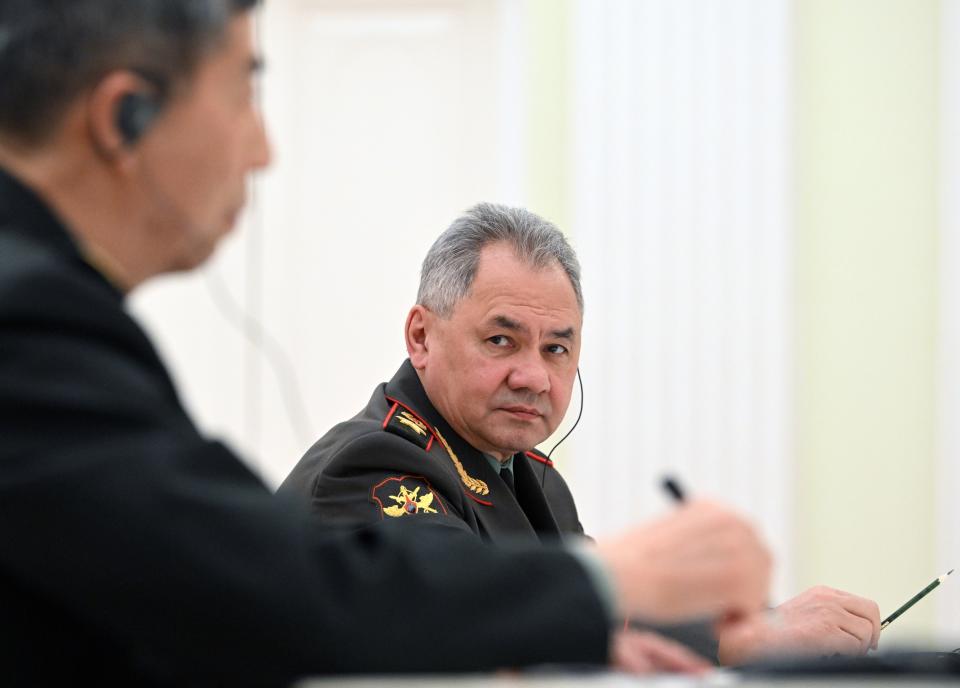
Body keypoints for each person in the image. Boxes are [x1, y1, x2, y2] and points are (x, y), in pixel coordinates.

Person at [0, 1, 774, 685]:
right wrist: (611, 579)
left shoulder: (532, 474)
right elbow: (274, 591)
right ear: (124, 116)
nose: (262, 149)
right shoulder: (30, 319)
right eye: (244, 92)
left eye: (557, 349)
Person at [280, 203, 884, 666]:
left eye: (557, 347)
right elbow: (477, 623)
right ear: (420, 337)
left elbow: (608, 617)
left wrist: (763, 623)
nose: (534, 376)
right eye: (501, 341)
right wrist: (738, 641)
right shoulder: (371, 464)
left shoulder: (532, 473)